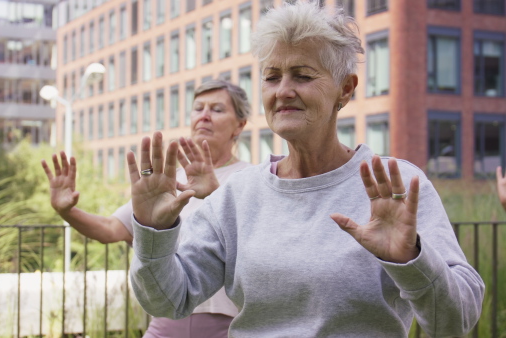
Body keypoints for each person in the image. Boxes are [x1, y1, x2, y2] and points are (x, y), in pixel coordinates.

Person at [126, 2, 485, 337]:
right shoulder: (238, 195)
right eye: (272, 77)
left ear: (345, 89)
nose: (283, 91)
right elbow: (167, 300)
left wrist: (411, 259)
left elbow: (455, 321)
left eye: (302, 75)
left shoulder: (397, 185)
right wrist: (154, 231)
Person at [41, 80, 252, 337]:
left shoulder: (250, 179)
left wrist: (215, 195)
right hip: (164, 321)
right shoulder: (165, 181)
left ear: (240, 125)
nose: (204, 116)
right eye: (198, 108)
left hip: (226, 325)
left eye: (217, 109)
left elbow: (256, 249)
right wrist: (67, 212)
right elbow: (109, 229)